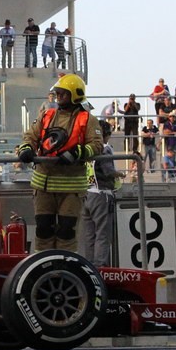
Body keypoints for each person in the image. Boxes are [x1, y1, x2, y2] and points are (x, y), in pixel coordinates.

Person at [15, 74, 103, 253]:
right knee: (43, 230)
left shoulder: (87, 119)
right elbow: (31, 136)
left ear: (75, 95)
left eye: (63, 93)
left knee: (66, 232)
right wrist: (25, 149)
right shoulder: (47, 115)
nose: (59, 97)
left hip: (71, 187)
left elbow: (96, 145)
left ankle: (65, 268)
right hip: (43, 185)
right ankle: (43, 267)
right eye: (58, 93)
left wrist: (77, 153)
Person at [79, 120, 120, 267]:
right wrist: (119, 174)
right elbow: (108, 171)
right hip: (102, 194)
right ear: (106, 135)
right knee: (103, 234)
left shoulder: (87, 149)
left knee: (89, 236)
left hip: (86, 194)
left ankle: (89, 268)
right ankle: (101, 268)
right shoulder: (105, 148)